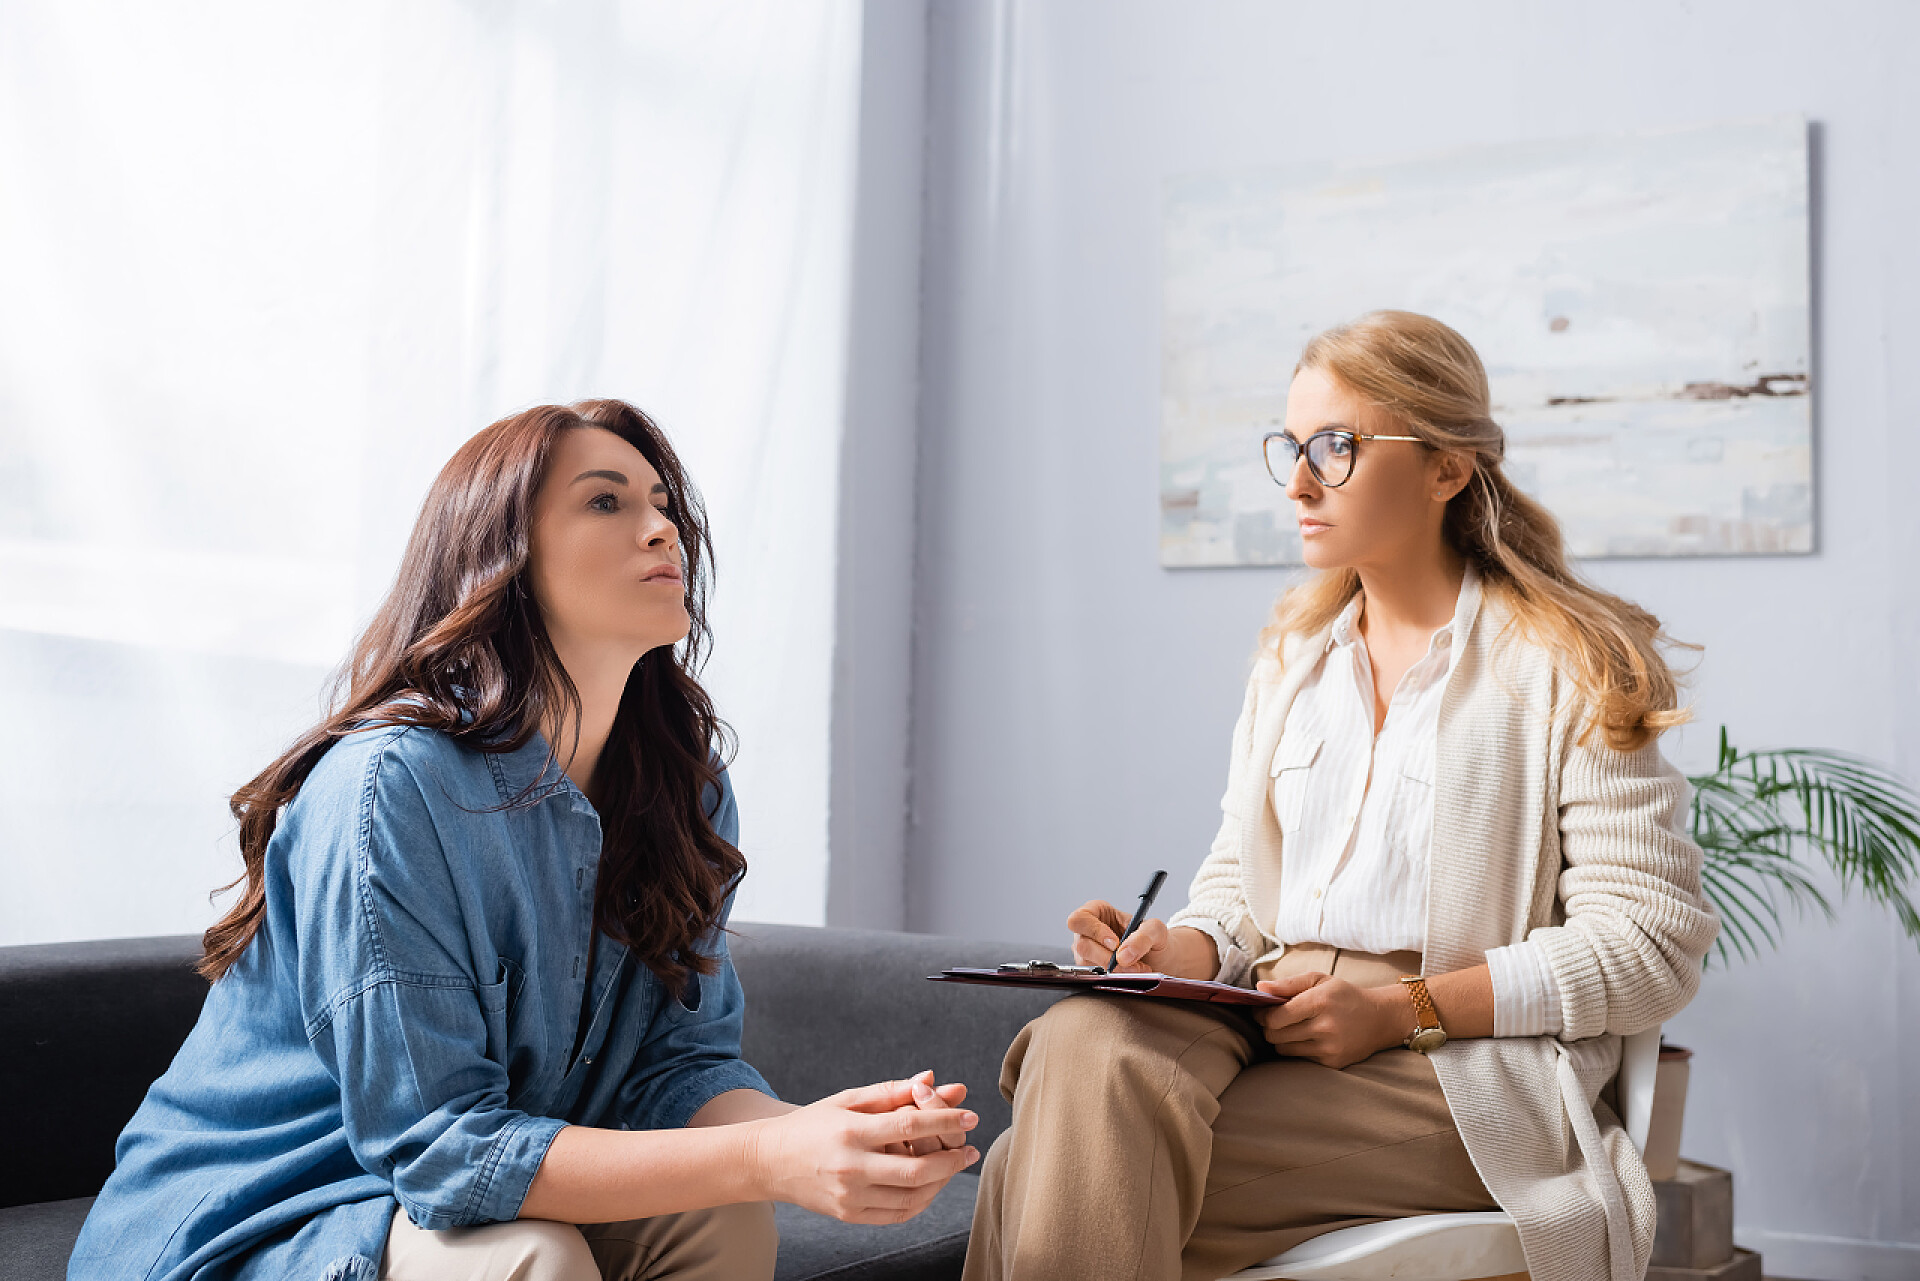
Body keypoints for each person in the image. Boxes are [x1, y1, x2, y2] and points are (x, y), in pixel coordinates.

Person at [69, 400, 981, 1281]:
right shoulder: (390, 787)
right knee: (533, 1260)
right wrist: (769, 1156)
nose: (662, 529)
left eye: (662, 504)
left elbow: (680, 1068)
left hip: (443, 1207)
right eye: (606, 501)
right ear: (502, 557)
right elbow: (444, 1152)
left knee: (720, 1214)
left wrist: (828, 1132)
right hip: (264, 1219)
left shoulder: (682, 785)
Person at [963, 312, 1718, 1281]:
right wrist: (1180, 952)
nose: (1300, 483)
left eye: (1337, 447)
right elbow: (1239, 889)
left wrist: (1402, 1009)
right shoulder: (1294, 657)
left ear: (1447, 468)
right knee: (1082, 1034)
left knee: (1037, 1170)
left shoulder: (1570, 666)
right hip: (1267, 1022)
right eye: (1292, 447)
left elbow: (1649, 946)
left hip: (1459, 1073)